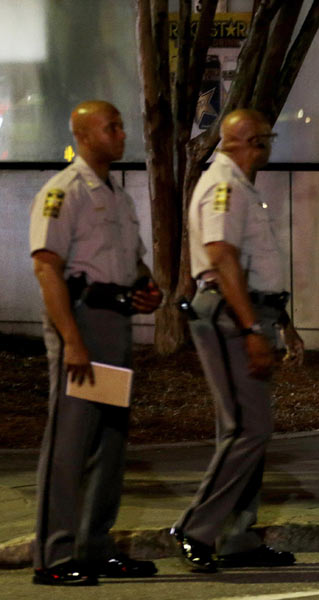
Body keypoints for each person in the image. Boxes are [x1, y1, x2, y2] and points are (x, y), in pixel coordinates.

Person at [28, 100, 163, 586]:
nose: (121, 134)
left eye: (121, 126)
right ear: (83, 134)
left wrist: (147, 289)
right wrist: (72, 342)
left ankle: (95, 546)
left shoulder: (117, 196)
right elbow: (47, 267)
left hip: (114, 322)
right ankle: (54, 555)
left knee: (108, 441)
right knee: (69, 443)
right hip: (81, 322)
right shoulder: (64, 193)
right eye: (111, 127)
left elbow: (132, 261)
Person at [170, 108, 303, 572]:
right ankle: (196, 527)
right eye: (265, 138)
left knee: (250, 430)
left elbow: (253, 264)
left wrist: (279, 322)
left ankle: (237, 536)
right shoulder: (223, 186)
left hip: (249, 313)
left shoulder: (239, 185)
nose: (269, 146)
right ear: (248, 142)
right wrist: (250, 330)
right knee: (247, 430)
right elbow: (222, 257)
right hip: (229, 317)